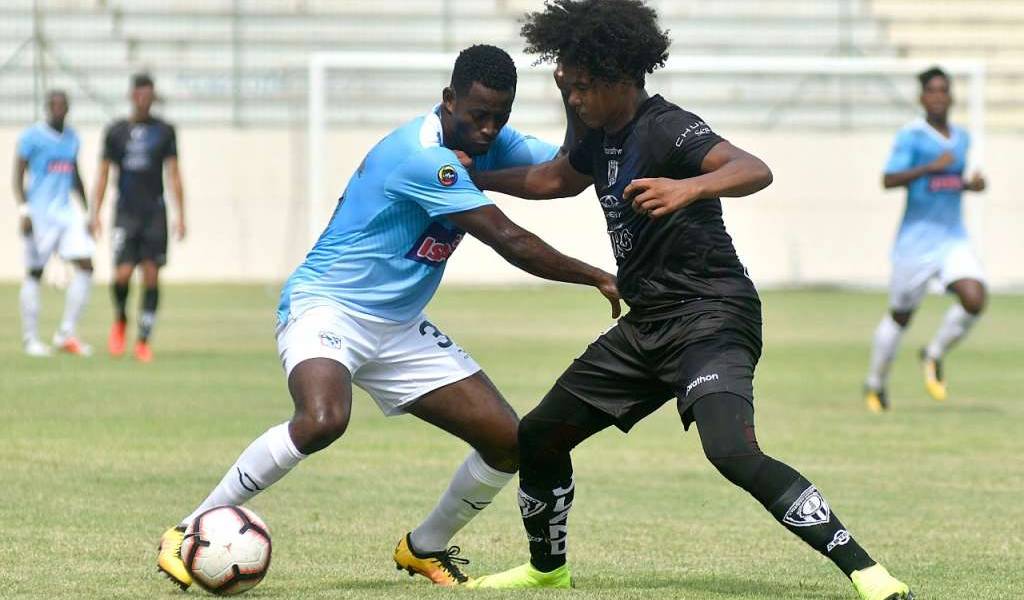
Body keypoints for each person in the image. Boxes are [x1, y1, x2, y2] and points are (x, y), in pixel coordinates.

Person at [463, 3, 913, 599]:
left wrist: (688, 187)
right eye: (566, 86)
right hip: (648, 324)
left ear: (619, 76)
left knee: (730, 451)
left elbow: (754, 168)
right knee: (540, 435)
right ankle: (548, 570)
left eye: (581, 87)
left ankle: (868, 572)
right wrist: (477, 179)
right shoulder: (596, 129)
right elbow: (555, 180)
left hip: (711, 314)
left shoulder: (666, 127)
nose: (571, 99)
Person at [155, 44, 620, 590]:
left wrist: (571, 99)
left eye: (501, 117)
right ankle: (187, 531)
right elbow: (510, 241)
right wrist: (598, 275)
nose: (491, 130)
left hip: (398, 326)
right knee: (322, 419)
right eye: (478, 116)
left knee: (508, 442)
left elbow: (558, 178)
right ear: (448, 101)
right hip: (328, 305)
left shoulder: (485, 139)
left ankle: (423, 547)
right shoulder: (419, 155)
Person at [863, 66, 987, 412]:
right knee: (901, 316)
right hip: (915, 245)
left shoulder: (962, 138)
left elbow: (953, 181)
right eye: (932, 90)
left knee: (975, 297)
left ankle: (932, 354)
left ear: (951, 96)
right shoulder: (911, 137)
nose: (938, 96)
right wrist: (930, 167)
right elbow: (888, 179)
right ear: (921, 97)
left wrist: (971, 185)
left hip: (952, 238)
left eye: (943, 90)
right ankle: (875, 384)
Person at [90, 73, 185, 363]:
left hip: (154, 212)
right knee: (122, 274)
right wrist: (95, 212)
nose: (143, 100)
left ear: (153, 97)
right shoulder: (116, 131)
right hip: (125, 212)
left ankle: (143, 339)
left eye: (148, 95)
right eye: (139, 94)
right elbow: (104, 172)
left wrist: (181, 214)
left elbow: (173, 172)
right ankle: (120, 318)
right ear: (132, 96)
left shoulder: (164, 131)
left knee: (152, 275)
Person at [13, 90, 94, 357]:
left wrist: (88, 212)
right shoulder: (31, 138)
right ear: (47, 108)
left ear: (68, 109)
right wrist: (24, 210)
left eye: (63, 106)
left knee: (86, 265)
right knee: (35, 273)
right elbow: (18, 176)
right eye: (54, 106)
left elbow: (75, 175)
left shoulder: (72, 138)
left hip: (66, 213)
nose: (58, 110)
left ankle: (66, 333)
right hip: (40, 215)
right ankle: (30, 339)